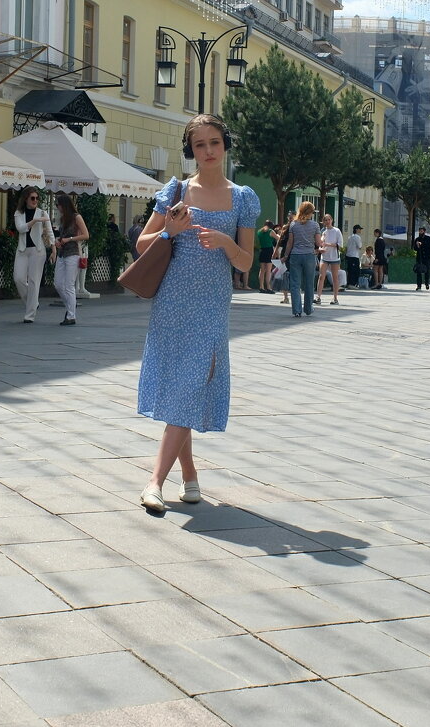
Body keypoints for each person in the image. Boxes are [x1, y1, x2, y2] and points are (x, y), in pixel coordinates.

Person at [133, 114, 259, 512]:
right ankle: (188, 475)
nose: (208, 151)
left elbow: (246, 263)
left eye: (214, 142)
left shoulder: (242, 198)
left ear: (225, 145)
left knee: (190, 385)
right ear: (191, 150)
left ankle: (154, 481)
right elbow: (142, 244)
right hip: (172, 301)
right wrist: (170, 230)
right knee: (181, 389)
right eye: (200, 145)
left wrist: (226, 242)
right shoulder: (177, 190)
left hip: (212, 305)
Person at [12, 186, 56, 323]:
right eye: (32, 198)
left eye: (37, 198)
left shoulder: (43, 213)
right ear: (26, 199)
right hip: (22, 250)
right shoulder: (19, 213)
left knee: (33, 282)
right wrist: (35, 221)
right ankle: (33, 302)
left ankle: (30, 315)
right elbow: (21, 228)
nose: (35, 200)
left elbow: (50, 232)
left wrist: (54, 249)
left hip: (38, 251)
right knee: (18, 278)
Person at [53, 193, 89, 326]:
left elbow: (86, 235)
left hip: (73, 253)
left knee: (69, 285)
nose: (57, 207)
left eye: (58, 205)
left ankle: (71, 315)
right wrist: (59, 241)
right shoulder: (63, 218)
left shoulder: (76, 217)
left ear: (64, 205)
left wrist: (70, 239)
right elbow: (62, 235)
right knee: (58, 283)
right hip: (62, 253)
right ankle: (70, 308)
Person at [286, 202, 322, 317]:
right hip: (309, 256)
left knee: (295, 284)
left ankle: (297, 310)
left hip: (295, 255)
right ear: (310, 212)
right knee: (309, 283)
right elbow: (318, 243)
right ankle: (308, 308)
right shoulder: (315, 225)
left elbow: (290, 243)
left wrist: (286, 255)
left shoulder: (293, 224)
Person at [316, 213, 344, 305]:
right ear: (323, 222)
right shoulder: (323, 231)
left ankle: (335, 298)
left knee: (335, 277)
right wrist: (320, 248)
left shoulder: (336, 231)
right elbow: (320, 243)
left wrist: (328, 244)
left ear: (332, 220)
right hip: (324, 257)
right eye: (325, 220)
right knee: (321, 276)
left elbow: (340, 245)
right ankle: (318, 297)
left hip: (334, 257)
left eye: (329, 219)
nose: (327, 221)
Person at [256, 219, 277, 294]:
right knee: (268, 270)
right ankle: (268, 287)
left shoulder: (259, 231)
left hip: (262, 250)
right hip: (269, 250)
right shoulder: (271, 231)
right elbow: (278, 238)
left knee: (262, 270)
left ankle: (261, 287)